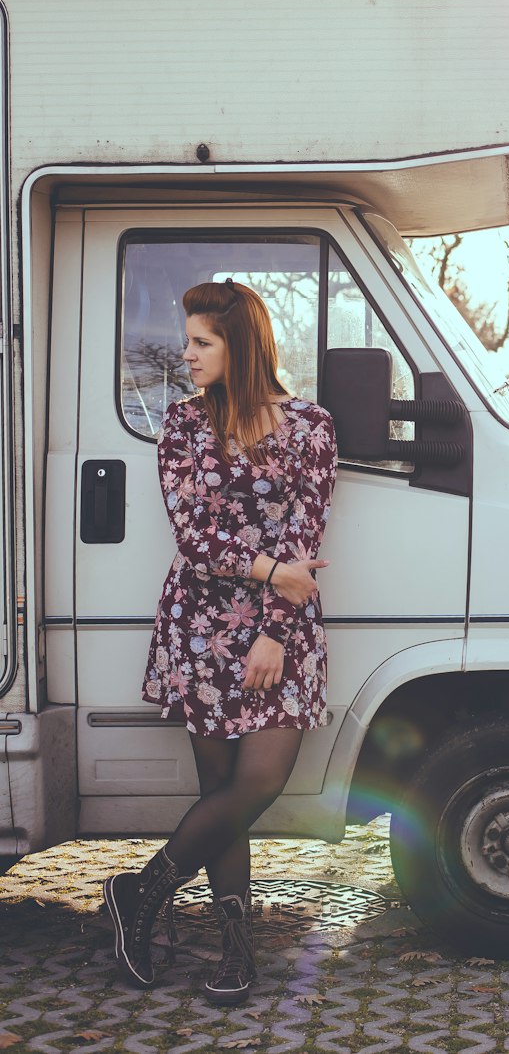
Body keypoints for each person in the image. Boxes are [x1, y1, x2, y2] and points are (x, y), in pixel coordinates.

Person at [104, 279, 337, 1004]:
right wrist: (270, 572)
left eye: (203, 341)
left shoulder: (310, 425)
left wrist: (274, 631)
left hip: (279, 634)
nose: (189, 353)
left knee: (256, 783)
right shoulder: (181, 424)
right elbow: (193, 536)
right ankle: (237, 953)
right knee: (221, 793)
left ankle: (141, 892)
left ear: (242, 346)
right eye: (189, 340)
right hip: (200, 627)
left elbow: (307, 535)